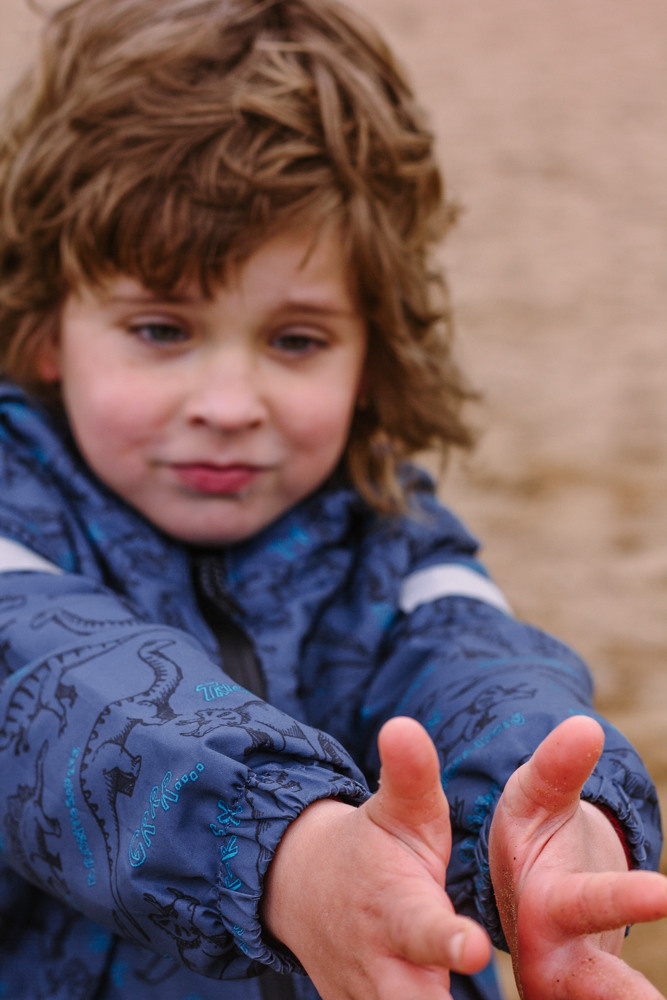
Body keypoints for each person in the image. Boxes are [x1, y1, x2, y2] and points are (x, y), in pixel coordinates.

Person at [0, 1, 665, 998]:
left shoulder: (387, 530)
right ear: (49, 327)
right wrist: (289, 855)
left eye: (295, 340)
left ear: (370, 358)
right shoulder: (17, 523)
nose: (228, 405)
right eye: (160, 329)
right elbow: (59, 696)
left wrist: (552, 825)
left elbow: (477, 664)